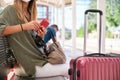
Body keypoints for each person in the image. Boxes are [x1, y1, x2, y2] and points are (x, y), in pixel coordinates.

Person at [0, 0, 69, 79]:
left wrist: (40, 36)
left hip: (37, 59)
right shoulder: (10, 9)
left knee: (63, 75)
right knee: (72, 69)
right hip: (28, 64)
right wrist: (24, 26)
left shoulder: (29, 13)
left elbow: (32, 44)